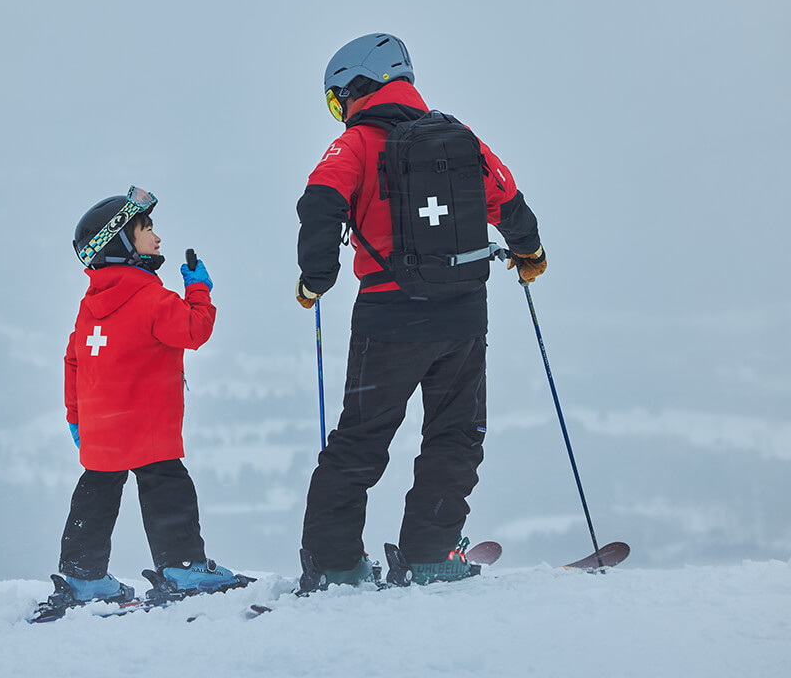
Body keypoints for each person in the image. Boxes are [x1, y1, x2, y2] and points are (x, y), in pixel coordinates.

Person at [294, 33, 546, 589]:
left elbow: (320, 202)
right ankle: (430, 554)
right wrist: (529, 254)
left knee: (361, 439)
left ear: (357, 87)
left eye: (338, 98)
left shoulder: (354, 145)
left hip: (389, 315)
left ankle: (335, 562)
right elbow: (509, 201)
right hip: (463, 314)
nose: (340, 110)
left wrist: (316, 279)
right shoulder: (462, 138)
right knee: (455, 436)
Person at [53, 185, 244, 605]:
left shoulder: (90, 305)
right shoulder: (150, 296)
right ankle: (184, 568)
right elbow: (195, 330)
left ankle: (84, 578)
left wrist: (75, 417)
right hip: (148, 424)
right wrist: (199, 289)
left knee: (97, 491)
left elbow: (73, 361)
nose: (157, 238)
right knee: (167, 486)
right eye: (147, 229)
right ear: (122, 242)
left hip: (101, 427)